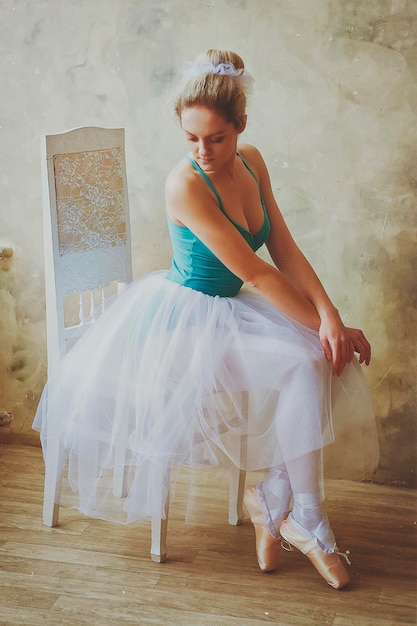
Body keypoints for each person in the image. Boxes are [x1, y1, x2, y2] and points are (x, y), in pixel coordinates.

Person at [34, 49, 378, 590]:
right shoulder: (185, 184)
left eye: (216, 138)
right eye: (191, 138)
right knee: (308, 359)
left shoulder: (253, 162)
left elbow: (282, 249)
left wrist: (331, 317)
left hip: (231, 312)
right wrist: (326, 325)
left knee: (319, 356)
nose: (203, 151)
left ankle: (275, 500)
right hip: (184, 327)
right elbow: (258, 276)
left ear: (240, 127)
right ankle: (306, 518)